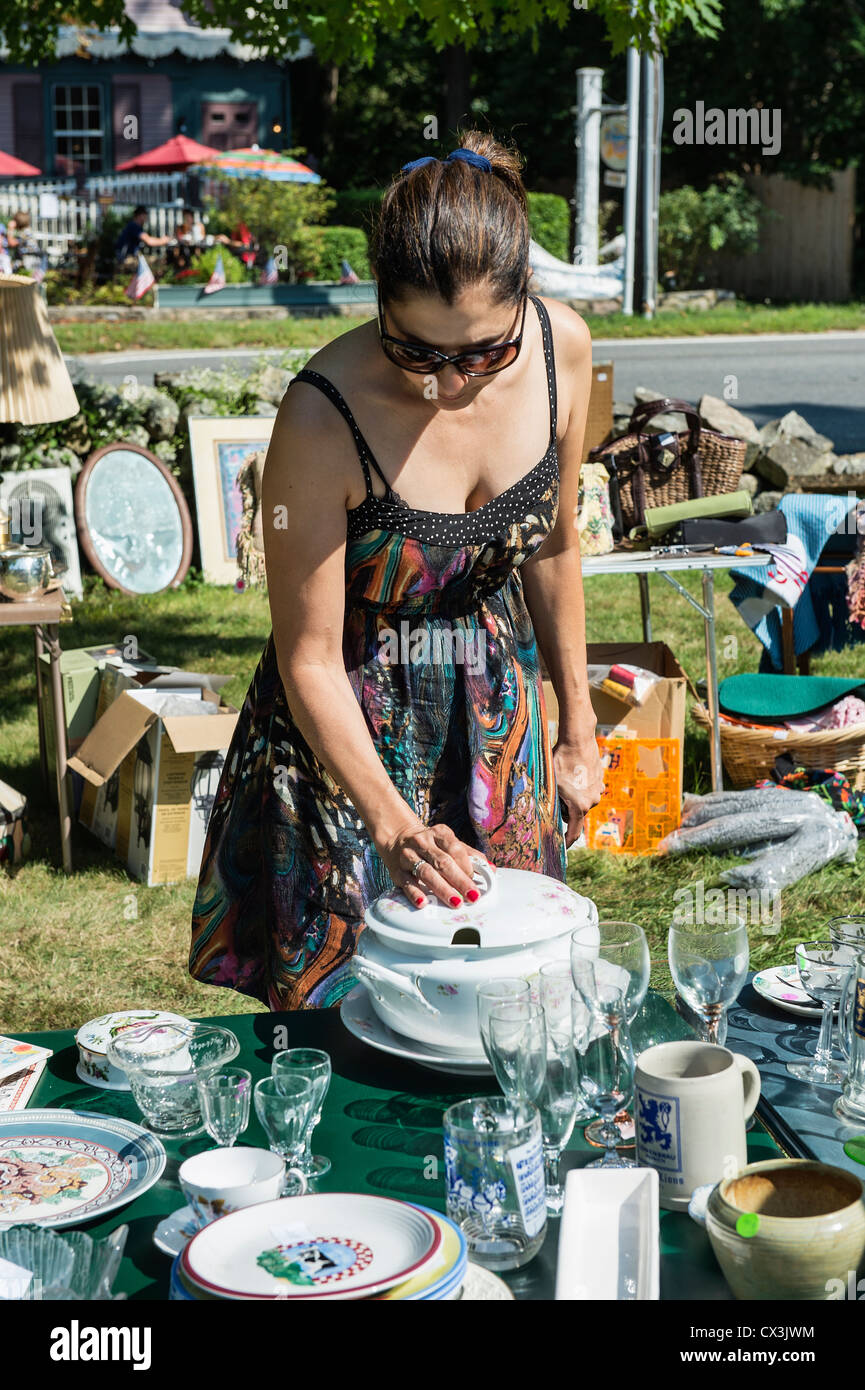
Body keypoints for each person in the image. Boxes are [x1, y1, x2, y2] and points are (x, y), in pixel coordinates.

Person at [189, 131, 604, 1012]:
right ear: (378, 303)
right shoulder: (319, 417)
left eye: (484, 353)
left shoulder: (563, 351)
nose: (451, 385)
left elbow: (556, 543)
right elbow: (305, 657)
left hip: (496, 715)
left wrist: (577, 724)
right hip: (351, 739)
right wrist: (394, 825)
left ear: (525, 300)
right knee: (358, 1016)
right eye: (418, 353)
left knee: (512, 994)